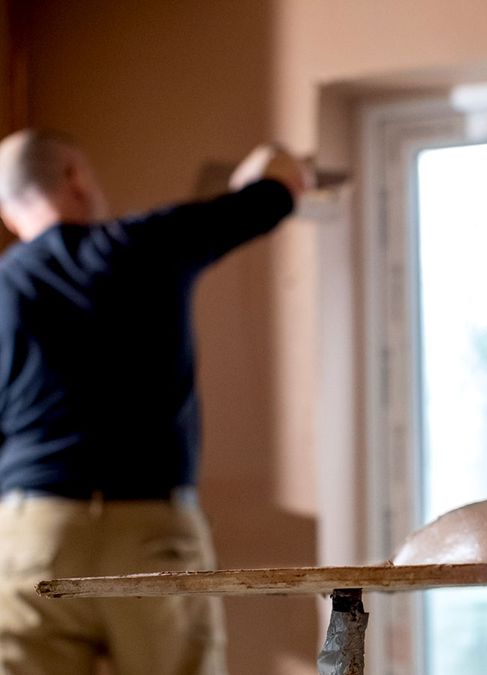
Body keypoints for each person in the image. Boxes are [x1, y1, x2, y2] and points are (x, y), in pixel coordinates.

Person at [0, 129, 306, 675]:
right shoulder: (137, 244)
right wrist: (268, 164)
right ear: (74, 177)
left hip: (33, 531)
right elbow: (277, 190)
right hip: (147, 532)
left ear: (8, 211)